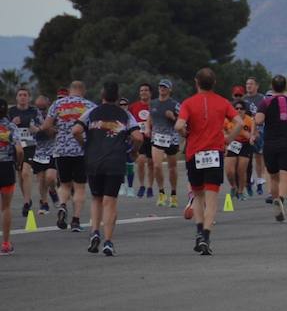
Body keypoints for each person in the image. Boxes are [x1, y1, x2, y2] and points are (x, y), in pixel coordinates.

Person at [176, 68, 241, 255]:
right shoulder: (223, 102)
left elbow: (179, 125)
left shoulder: (188, 103)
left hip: (194, 153)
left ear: (196, 82)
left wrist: (184, 133)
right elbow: (238, 122)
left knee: (197, 195)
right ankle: (206, 235)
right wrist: (228, 139)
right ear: (214, 83)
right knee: (212, 197)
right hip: (214, 153)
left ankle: (198, 232)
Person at [73, 82, 143, 256]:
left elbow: (75, 130)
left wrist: (85, 145)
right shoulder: (125, 114)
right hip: (115, 161)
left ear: (102, 96)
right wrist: (133, 151)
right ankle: (108, 241)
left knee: (96, 198)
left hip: (93, 160)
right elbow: (138, 136)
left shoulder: (92, 112)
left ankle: (95, 232)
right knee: (110, 201)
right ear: (117, 98)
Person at [44, 80, 95, 233]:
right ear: (83, 90)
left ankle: (63, 206)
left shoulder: (57, 104)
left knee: (64, 184)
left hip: (61, 150)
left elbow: (46, 126)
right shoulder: (89, 105)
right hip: (81, 150)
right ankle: (76, 220)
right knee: (79, 187)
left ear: (69, 90)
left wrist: (55, 131)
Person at [255, 75, 287, 222]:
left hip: (270, 143)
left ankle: (276, 198)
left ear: (272, 86)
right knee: (286, 174)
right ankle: (280, 199)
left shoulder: (266, 102)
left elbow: (258, 120)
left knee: (274, 176)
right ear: (286, 87)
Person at [7, 86, 42, 219]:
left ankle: (27, 203)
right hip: (16, 146)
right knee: (20, 174)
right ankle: (26, 198)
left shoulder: (34, 111)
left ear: (29, 98)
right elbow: (4, 127)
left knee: (26, 172)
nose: (22, 97)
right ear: (16, 97)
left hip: (30, 145)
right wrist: (12, 123)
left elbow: (42, 126)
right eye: (20, 95)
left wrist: (36, 129)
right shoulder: (11, 112)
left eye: (25, 95)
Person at [0, 98, 27, 254]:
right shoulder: (10, 126)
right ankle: (5, 243)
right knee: (6, 207)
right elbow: (20, 150)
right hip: (5, 167)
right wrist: (18, 164)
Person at [149, 79, 181, 207]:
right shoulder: (153, 103)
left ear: (170, 90)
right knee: (156, 166)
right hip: (157, 137)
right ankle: (161, 192)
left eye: (165, 87)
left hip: (172, 138)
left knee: (172, 168)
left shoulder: (175, 104)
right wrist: (147, 128)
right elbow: (150, 117)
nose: (162, 89)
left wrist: (173, 117)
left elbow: (183, 121)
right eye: (161, 87)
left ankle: (173, 194)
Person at [226, 101, 255, 199]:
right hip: (233, 144)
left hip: (245, 145)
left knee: (241, 170)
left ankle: (241, 191)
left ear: (245, 110)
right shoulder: (228, 119)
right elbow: (222, 129)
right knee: (229, 171)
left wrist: (251, 137)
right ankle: (233, 186)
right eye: (236, 108)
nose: (238, 110)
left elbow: (254, 134)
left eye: (241, 108)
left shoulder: (249, 120)